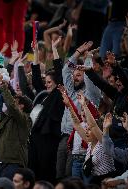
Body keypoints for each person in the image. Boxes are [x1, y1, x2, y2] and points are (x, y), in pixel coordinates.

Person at [57, 41, 101, 180]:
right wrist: (77, 52)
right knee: (60, 175)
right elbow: (65, 70)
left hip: (83, 139)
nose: (75, 77)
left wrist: (88, 58)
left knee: (71, 178)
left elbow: (89, 78)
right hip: (65, 137)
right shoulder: (71, 92)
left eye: (78, 75)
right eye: (74, 75)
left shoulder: (91, 93)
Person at [28, 38, 65, 183]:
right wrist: (35, 52)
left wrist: (55, 49)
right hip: (36, 137)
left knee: (45, 172)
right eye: (46, 82)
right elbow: (36, 78)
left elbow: (60, 72)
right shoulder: (44, 95)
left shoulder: (58, 95)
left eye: (50, 82)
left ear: (57, 84)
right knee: (33, 170)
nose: (47, 85)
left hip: (49, 138)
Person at [0, 83, 32, 179]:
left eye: (15, 101)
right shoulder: (7, 119)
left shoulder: (25, 119)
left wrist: (3, 87)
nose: (8, 104)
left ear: (21, 106)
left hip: (14, 164)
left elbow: (12, 107)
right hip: (1, 163)